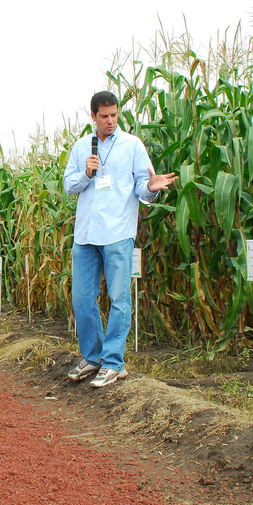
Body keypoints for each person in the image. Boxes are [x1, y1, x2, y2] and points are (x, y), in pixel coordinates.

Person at [63, 90, 176, 388]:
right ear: (93, 116)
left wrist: (152, 187)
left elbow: (143, 186)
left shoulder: (132, 145)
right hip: (86, 234)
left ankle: (114, 363)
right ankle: (93, 357)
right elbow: (68, 185)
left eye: (114, 115)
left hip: (117, 232)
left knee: (118, 298)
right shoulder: (80, 148)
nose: (110, 121)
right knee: (82, 299)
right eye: (104, 116)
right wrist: (86, 174)